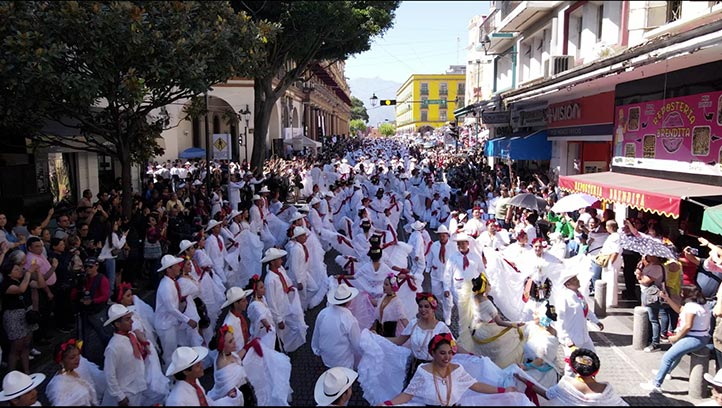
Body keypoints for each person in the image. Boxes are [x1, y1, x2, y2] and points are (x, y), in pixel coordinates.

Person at [380, 333, 532, 406]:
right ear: (433, 353)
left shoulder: (457, 369)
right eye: (442, 353)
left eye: (450, 353)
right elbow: (407, 394)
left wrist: (502, 391)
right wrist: (389, 403)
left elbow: (477, 385)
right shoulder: (423, 371)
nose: (447, 357)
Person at [641, 285, 711, 393]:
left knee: (667, 357)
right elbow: (679, 310)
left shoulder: (691, 306)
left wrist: (676, 337)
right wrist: (667, 299)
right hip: (702, 336)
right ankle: (666, 371)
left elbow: (688, 325)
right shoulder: (703, 305)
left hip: (694, 337)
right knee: (677, 354)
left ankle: (656, 384)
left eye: (682, 292)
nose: (680, 294)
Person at [520, 347, 628, 405]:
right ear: (596, 370)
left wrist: (525, 380)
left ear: (573, 369)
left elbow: (547, 394)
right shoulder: (608, 392)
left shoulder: (565, 386)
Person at [462, 274, 525, 369]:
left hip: (477, 329)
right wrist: (513, 324)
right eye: (488, 284)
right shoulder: (488, 304)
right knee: (514, 337)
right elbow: (499, 322)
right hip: (489, 330)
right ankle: (499, 364)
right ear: (484, 287)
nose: (490, 285)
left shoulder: (472, 298)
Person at [2, 250, 46, 374]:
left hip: (27, 313)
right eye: (16, 270)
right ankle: (11, 374)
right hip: (13, 316)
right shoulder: (7, 284)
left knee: (26, 344)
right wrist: (29, 273)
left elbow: (40, 284)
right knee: (16, 347)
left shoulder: (23, 280)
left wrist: (37, 272)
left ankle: (27, 372)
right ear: (9, 274)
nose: (20, 271)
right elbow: (21, 289)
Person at [555, 269, 604, 376]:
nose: (578, 281)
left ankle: (588, 380)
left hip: (584, 335)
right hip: (571, 337)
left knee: (592, 357)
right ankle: (567, 387)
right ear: (567, 284)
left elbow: (586, 310)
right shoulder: (563, 298)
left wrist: (596, 321)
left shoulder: (579, 295)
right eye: (574, 279)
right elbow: (560, 319)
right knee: (571, 364)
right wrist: (566, 338)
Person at [155, 254, 198, 370]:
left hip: (170, 322)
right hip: (165, 325)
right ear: (168, 269)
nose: (179, 267)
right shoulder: (165, 286)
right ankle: (169, 380)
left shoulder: (171, 282)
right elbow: (171, 308)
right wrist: (187, 320)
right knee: (170, 353)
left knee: (173, 350)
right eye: (176, 266)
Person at [262, 247, 307, 353]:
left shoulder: (279, 272)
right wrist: (278, 320)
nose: (282, 261)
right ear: (272, 262)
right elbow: (271, 301)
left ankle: (289, 346)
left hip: (286, 307)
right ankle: (283, 351)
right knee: (280, 336)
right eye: (279, 259)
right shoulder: (270, 280)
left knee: (297, 326)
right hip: (280, 313)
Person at [102, 304, 148, 406]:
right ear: (117, 324)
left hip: (137, 388)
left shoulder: (131, 336)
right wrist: (120, 396)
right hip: (126, 392)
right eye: (127, 319)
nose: (132, 321)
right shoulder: (113, 347)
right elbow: (109, 375)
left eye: (130, 318)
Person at [312, 283, 363, 369]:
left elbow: (316, 334)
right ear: (349, 302)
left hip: (326, 358)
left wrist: (316, 351)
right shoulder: (350, 320)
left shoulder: (323, 313)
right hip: (343, 362)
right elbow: (356, 344)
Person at [46, 339, 104, 406]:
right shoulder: (59, 386)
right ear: (61, 361)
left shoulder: (80, 365)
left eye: (78, 354)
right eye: (72, 357)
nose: (77, 359)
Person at [208, 325, 252, 406]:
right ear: (223, 347)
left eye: (233, 338)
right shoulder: (223, 367)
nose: (235, 342)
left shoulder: (227, 353)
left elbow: (236, 357)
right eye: (230, 341)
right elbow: (230, 391)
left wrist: (247, 347)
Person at [636, 254, 668, 353]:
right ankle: (649, 338)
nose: (647, 256)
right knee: (649, 318)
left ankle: (655, 342)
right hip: (646, 293)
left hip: (652, 295)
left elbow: (646, 281)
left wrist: (639, 276)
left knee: (653, 319)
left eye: (649, 255)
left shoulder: (657, 267)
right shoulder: (649, 265)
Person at [245, 274, 277, 348]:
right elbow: (262, 317)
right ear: (255, 290)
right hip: (262, 332)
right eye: (261, 287)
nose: (264, 289)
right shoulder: (255, 305)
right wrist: (268, 327)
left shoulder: (262, 298)